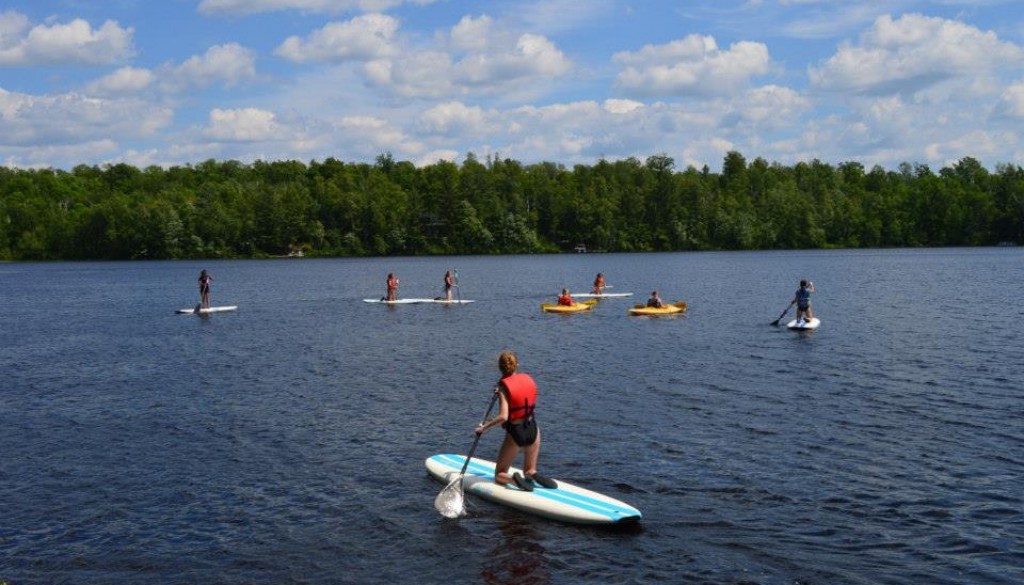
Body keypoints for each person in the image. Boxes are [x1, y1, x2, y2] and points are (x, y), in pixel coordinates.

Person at [474, 351, 557, 491]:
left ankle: (513, 479)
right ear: (517, 365)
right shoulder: (528, 378)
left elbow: (503, 417)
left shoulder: (503, 387)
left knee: (499, 474)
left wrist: (484, 427)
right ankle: (532, 474)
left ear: (499, 367)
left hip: (516, 433)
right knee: (529, 469)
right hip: (533, 430)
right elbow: (519, 392)